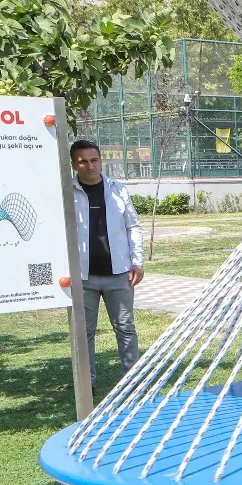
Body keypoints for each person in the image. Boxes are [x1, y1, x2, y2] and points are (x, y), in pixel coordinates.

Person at [69, 139, 144, 385]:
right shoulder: (67, 193)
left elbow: (133, 226)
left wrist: (137, 261)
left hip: (119, 274)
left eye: (94, 160)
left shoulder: (117, 190)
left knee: (125, 328)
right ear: (74, 164)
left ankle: (131, 381)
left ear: (100, 161)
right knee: (84, 333)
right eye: (83, 161)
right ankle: (86, 384)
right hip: (83, 277)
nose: (90, 166)